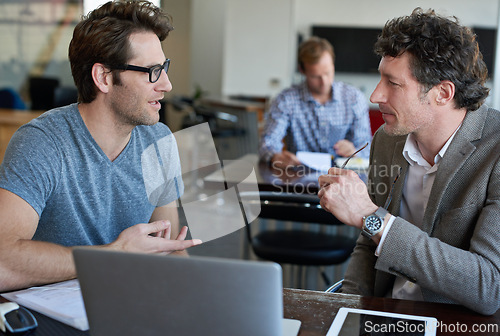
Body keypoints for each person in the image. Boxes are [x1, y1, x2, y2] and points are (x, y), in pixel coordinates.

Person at [0, 0, 202, 292]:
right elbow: (3, 262)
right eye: (152, 71)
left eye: (164, 68)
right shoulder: (42, 143)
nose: (167, 84)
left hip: (130, 304)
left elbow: (166, 248)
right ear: (104, 77)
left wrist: (198, 289)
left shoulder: (159, 141)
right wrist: (115, 255)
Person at [318, 8, 499, 315]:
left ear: (442, 93)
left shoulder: (495, 150)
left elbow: (489, 286)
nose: (375, 95)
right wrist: (347, 310)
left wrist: (371, 216)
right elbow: (367, 244)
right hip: (384, 313)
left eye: (393, 83)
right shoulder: (387, 140)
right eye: (380, 78)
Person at [259, 36, 372, 169]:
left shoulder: (354, 98)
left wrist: (354, 150)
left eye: (328, 73)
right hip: (299, 176)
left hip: (342, 177)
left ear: (333, 65)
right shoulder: (285, 100)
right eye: (315, 76)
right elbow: (268, 143)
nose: (324, 82)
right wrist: (275, 156)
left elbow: (367, 147)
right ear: (302, 71)